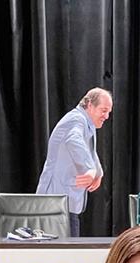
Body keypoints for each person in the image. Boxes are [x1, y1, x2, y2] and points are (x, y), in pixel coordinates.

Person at [36, 87, 112, 237]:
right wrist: (90, 169)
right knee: (62, 258)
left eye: (109, 112)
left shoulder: (85, 122)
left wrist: (98, 172)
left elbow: (90, 151)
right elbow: (74, 140)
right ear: (90, 105)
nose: (107, 116)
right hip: (54, 207)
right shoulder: (75, 120)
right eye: (104, 110)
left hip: (64, 205)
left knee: (70, 256)